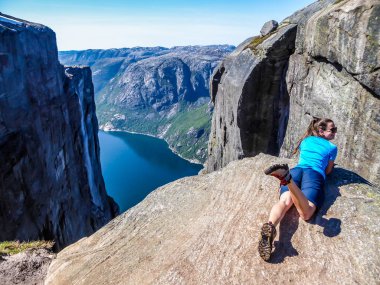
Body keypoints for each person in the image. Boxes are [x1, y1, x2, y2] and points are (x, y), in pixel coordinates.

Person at [258, 117, 338, 261]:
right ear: (321, 131)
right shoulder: (332, 148)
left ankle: (270, 225)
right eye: (332, 130)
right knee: (306, 213)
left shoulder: (306, 141)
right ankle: (288, 181)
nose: (335, 132)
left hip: (297, 170)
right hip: (313, 174)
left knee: (284, 202)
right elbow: (328, 171)